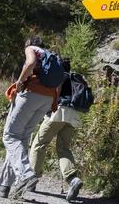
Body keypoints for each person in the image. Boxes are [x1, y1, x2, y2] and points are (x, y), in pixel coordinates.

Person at [0, 36, 60, 199]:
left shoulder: (32, 50)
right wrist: (53, 103)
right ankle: (5, 186)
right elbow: (58, 84)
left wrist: (19, 82)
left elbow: (30, 63)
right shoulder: (51, 57)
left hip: (31, 95)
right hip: (47, 99)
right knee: (21, 139)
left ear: (29, 44)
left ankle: (26, 174)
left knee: (10, 136)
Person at [28, 59, 84, 202]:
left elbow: (55, 94)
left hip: (59, 112)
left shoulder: (60, 77)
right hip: (74, 116)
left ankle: (32, 178)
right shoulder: (75, 78)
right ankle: (73, 179)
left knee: (40, 143)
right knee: (63, 148)